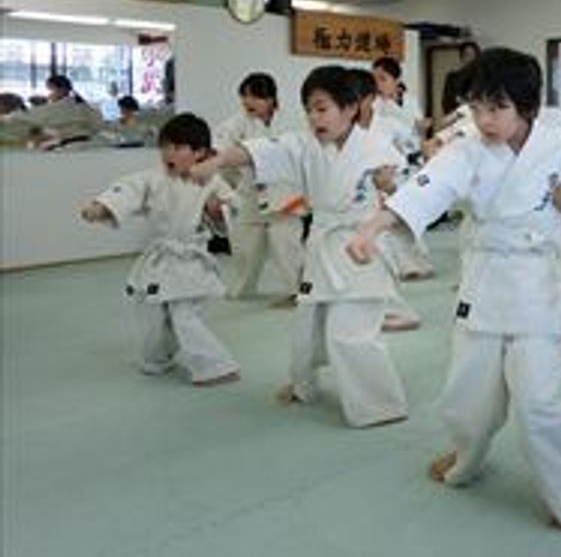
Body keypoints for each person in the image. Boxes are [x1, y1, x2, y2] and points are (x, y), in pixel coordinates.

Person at [346, 47, 561, 529]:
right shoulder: (465, 150)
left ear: (527, 106)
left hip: (537, 285)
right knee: (467, 396)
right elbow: (427, 188)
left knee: (537, 399)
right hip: (486, 279)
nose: (485, 119)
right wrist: (372, 227)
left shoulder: (556, 140)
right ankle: (467, 454)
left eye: (497, 108)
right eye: (477, 107)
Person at [192, 66, 408, 429]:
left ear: (350, 107)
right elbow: (254, 152)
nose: (313, 117)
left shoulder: (376, 147)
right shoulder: (303, 143)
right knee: (308, 326)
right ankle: (304, 386)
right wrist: (215, 161)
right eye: (309, 109)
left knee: (349, 330)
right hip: (323, 242)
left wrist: (389, 182)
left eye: (322, 108)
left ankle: (380, 405)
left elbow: (402, 188)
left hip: (360, 245)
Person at [80, 113, 240, 386]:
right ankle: (157, 358)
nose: (168, 153)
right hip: (161, 258)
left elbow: (233, 208)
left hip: (191, 259)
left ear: (199, 152)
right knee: (152, 314)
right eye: (165, 146)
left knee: (184, 315)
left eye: (178, 148)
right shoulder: (151, 179)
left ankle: (217, 366)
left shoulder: (211, 180)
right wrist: (102, 207)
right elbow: (127, 191)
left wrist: (217, 209)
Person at [213, 73, 305, 306]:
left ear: (271, 99)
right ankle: (244, 287)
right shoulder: (236, 124)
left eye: (255, 97)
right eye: (244, 96)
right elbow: (221, 155)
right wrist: (230, 187)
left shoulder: (293, 121)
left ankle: (299, 291)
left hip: (286, 193)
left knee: (286, 244)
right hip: (249, 194)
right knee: (245, 247)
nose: (248, 102)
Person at [346, 67, 425, 331]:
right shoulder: (344, 130)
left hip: (392, 191)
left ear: (370, 98)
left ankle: (398, 309)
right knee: (370, 255)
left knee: (386, 251)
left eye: (355, 97)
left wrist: (395, 175)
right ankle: (378, 307)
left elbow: (414, 147)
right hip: (359, 201)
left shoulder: (389, 124)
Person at [440, 41, 481, 118]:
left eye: (473, 55)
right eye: (467, 55)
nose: (470, 59)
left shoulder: (483, 78)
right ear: (461, 57)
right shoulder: (452, 77)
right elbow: (446, 102)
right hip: (456, 117)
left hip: (476, 118)